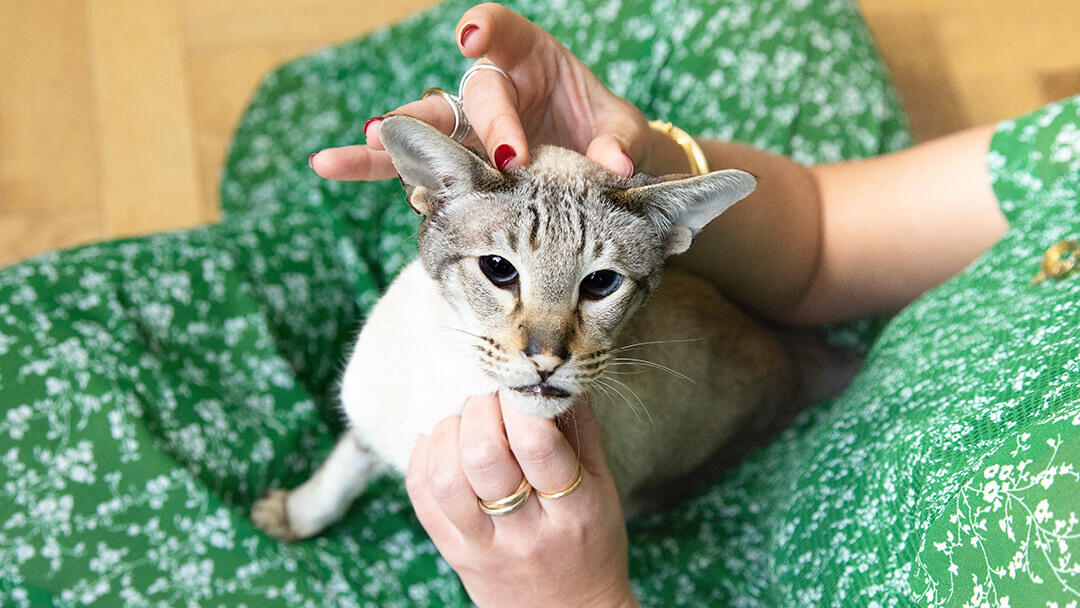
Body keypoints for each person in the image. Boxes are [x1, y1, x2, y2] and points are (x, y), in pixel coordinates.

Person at [306, 4, 1054, 606]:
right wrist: (614, 150)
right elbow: (823, 231)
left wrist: (573, 594)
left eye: (597, 287)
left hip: (761, 507)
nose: (546, 347)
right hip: (851, 322)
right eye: (501, 270)